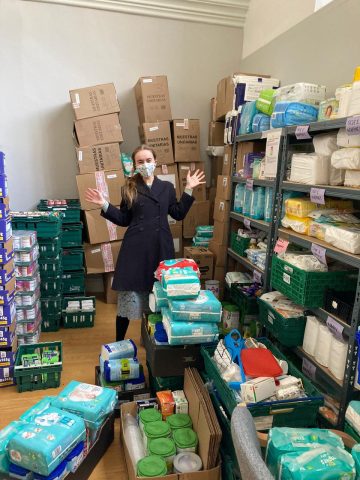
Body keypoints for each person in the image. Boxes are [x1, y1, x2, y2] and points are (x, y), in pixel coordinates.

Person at [85, 145, 205, 341]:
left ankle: (153, 340)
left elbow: (178, 213)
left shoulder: (166, 187)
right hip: (135, 250)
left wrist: (189, 189)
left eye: (148, 160)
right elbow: (124, 219)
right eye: (140, 161)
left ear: (155, 162)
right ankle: (118, 343)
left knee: (157, 297)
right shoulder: (129, 188)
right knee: (128, 300)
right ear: (134, 165)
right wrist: (104, 204)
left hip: (160, 248)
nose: (145, 164)